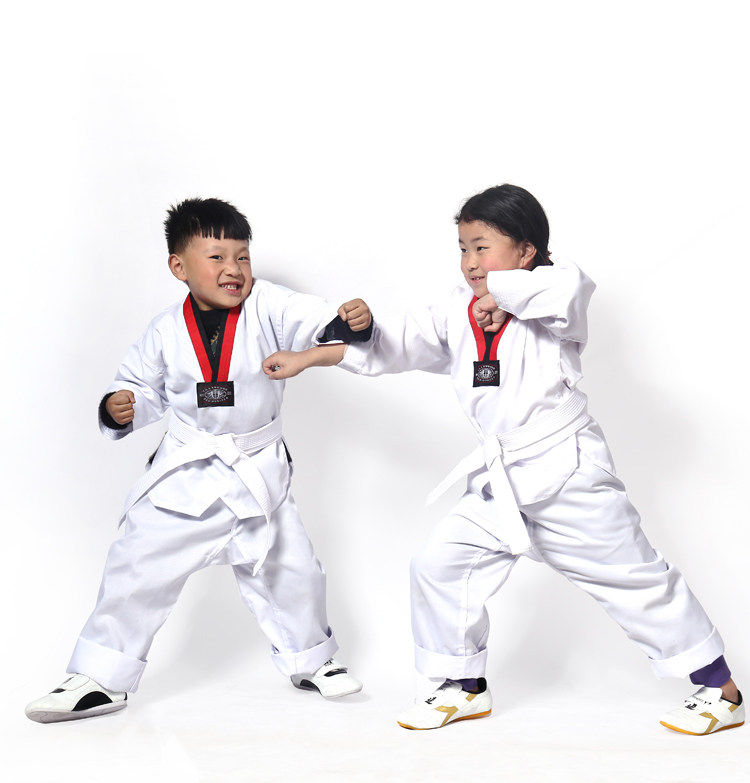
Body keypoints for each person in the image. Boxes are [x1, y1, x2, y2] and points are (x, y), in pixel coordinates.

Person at [263, 184, 744, 736]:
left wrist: (500, 295)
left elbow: (568, 286)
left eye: (482, 247)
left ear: (526, 251)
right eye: (463, 248)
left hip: (568, 474)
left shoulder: (557, 297)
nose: (470, 262)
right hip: (501, 481)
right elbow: (397, 343)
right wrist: (317, 353)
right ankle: (464, 687)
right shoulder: (456, 309)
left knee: (634, 579)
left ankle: (721, 691)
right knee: (440, 565)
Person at [25, 197, 372, 724]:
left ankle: (312, 660)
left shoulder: (269, 305)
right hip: (187, 471)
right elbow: (141, 387)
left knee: (292, 569)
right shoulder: (165, 330)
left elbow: (320, 323)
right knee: (137, 564)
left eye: (242, 256)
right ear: (179, 266)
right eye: (217, 257)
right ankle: (100, 676)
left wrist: (349, 321)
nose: (234, 269)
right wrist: (122, 405)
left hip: (257, 471)